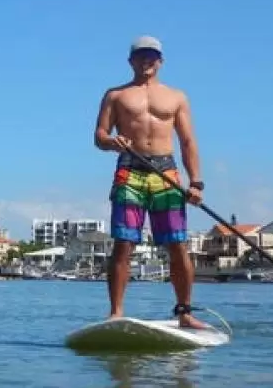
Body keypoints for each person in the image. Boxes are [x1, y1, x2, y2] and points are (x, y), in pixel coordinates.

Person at [93, 35, 207, 329]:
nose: (147, 61)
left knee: (178, 244)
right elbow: (99, 136)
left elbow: (188, 141)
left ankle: (184, 312)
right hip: (130, 169)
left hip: (166, 172)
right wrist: (112, 141)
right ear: (131, 61)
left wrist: (196, 183)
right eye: (141, 56)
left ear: (161, 61)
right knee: (123, 243)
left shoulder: (177, 97)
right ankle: (116, 312)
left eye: (152, 57)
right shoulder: (115, 95)